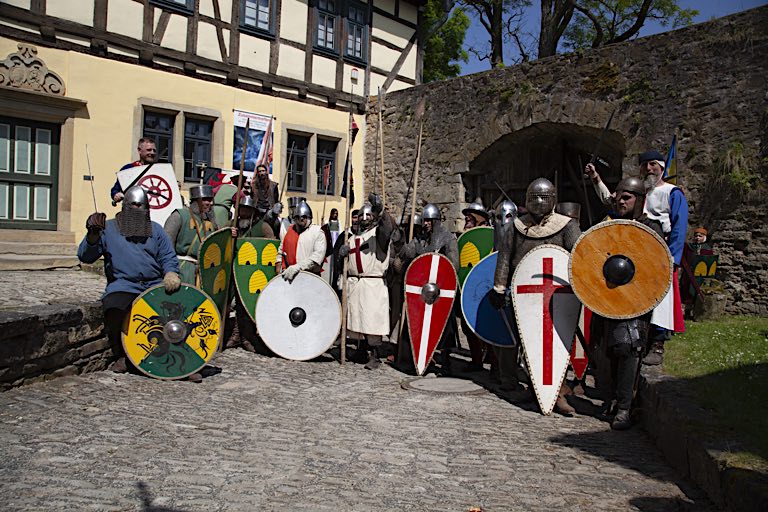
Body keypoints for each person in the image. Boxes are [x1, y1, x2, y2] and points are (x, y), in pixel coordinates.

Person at [586, 149, 688, 365]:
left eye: (653, 164)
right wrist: (596, 179)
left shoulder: (672, 193)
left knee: (661, 297)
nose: (648, 169)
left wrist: (671, 258)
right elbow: (610, 201)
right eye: (644, 165)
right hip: (635, 248)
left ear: (662, 167)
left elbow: (679, 226)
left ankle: (658, 343)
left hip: (660, 248)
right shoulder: (637, 191)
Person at [490, 178, 581, 415]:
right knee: (524, 342)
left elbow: (578, 260)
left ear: (553, 200)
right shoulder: (517, 226)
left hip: (558, 297)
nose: (539, 202)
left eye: (544, 197)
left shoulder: (567, 226)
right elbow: (505, 259)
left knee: (556, 346)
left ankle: (556, 391)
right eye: (534, 197)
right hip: (525, 297)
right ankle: (530, 388)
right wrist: (499, 287)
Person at [77, 186, 188, 378]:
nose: (138, 208)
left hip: (154, 284)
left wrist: (171, 273)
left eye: (142, 205)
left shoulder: (156, 230)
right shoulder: (108, 229)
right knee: (114, 308)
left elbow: (168, 256)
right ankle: (125, 355)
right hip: (124, 284)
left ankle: (183, 360)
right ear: (125, 205)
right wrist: (93, 236)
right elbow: (86, 257)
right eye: (134, 204)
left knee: (180, 310)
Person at [590, 177, 664, 429]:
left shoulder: (650, 227)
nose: (621, 201)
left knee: (628, 347)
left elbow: (654, 265)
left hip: (634, 297)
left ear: (639, 200)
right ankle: (611, 399)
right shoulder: (610, 225)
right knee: (607, 349)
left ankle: (624, 407)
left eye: (627, 197)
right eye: (618, 197)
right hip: (607, 295)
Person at [338, 194, 396, 369]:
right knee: (357, 319)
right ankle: (361, 350)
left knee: (371, 320)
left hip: (372, 284)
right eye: (362, 216)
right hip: (356, 283)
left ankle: (375, 356)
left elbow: (387, 228)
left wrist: (381, 211)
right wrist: (343, 253)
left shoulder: (378, 236)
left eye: (368, 216)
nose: (364, 219)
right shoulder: (352, 237)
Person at [403, 203, 460, 374]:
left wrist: (441, 282)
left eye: (429, 221)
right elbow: (407, 254)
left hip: (441, 291)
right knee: (422, 324)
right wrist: (399, 239)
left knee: (445, 327)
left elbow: (453, 266)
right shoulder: (420, 239)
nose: (425, 223)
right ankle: (424, 357)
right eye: (424, 220)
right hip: (423, 291)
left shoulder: (448, 238)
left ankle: (446, 359)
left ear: (436, 221)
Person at [459, 200, 494, 373]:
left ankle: (493, 361)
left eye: (471, 216)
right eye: (466, 216)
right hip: (467, 290)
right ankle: (476, 359)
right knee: (467, 326)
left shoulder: (492, 237)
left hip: (486, 289)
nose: (467, 219)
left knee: (490, 325)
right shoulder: (462, 239)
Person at [164, 184, 219, 285]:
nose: (209, 203)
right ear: (196, 200)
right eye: (205, 199)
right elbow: (166, 247)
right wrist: (170, 271)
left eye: (210, 200)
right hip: (182, 270)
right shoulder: (179, 216)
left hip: (203, 274)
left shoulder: (212, 223)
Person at [277, 201, 326, 281]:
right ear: (295, 218)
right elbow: (281, 251)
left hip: (310, 278)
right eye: (298, 217)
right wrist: (278, 266)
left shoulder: (317, 232)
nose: (301, 219)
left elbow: (317, 258)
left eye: (304, 217)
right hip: (289, 278)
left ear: (309, 217)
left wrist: (297, 267)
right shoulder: (290, 231)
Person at [110, 138, 158, 204]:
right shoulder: (128, 169)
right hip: (132, 210)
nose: (152, 153)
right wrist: (116, 195)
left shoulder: (159, 170)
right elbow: (115, 189)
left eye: (154, 150)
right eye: (149, 150)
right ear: (139, 150)